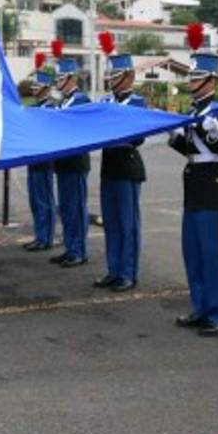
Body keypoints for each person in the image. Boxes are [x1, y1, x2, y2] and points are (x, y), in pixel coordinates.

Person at [168, 49, 218, 336]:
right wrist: (175, 139)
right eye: (191, 76)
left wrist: (216, 133)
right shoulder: (192, 111)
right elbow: (191, 151)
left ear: (211, 80)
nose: (191, 82)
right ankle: (200, 308)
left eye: (198, 77)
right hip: (194, 185)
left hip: (214, 186)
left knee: (213, 255)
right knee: (194, 252)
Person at [94, 42, 147, 292]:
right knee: (112, 223)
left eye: (117, 75)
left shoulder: (137, 103)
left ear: (130, 76)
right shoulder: (105, 101)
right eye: (111, 75)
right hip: (109, 167)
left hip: (127, 166)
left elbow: (138, 137)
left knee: (128, 224)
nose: (113, 80)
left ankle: (128, 273)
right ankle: (113, 270)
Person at [48, 49, 91, 268]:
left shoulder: (81, 100)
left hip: (75, 163)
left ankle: (79, 251)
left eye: (61, 78)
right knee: (65, 208)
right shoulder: (63, 102)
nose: (58, 83)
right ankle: (69, 247)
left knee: (75, 208)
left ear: (72, 78)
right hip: (64, 163)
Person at [22, 59, 57, 252]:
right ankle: (39, 235)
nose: (34, 89)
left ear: (45, 88)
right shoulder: (36, 108)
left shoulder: (50, 109)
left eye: (37, 86)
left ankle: (46, 238)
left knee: (44, 201)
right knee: (35, 201)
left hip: (44, 161)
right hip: (34, 160)